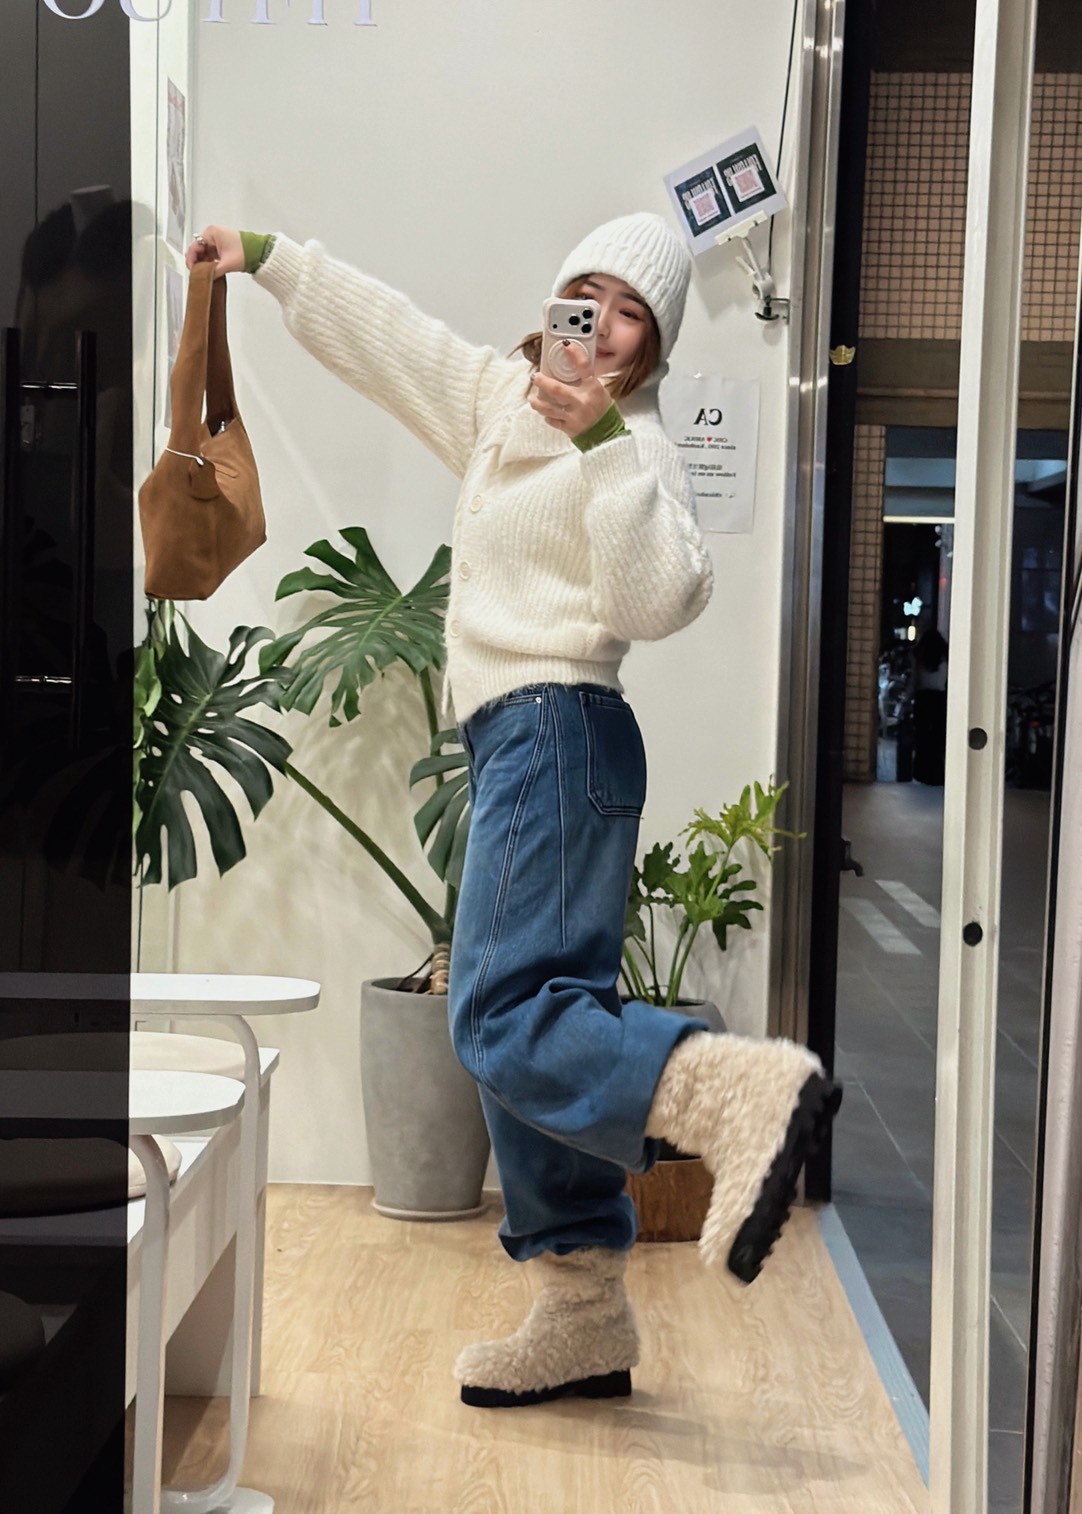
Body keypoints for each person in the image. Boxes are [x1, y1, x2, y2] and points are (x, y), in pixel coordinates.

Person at [186, 214, 841, 1409]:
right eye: (585, 295)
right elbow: (392, 339)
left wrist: (599, 442)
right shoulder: (498, 399)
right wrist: (271, 259)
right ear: (553, 304)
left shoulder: (635, 444)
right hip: (518, 742)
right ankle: (581, 1309)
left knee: (496, 1014)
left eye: (630, 313)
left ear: (650, 347)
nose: (601, 325)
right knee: (534, 1026)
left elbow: (658, 599)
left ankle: (732, 1089)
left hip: (558, 726)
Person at [911, 627, 949, 785]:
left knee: (922, 736)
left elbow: (914, 680)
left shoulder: (919, 657)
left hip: (923, 698)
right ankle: (937, 773)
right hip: (940, 699)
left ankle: (921, 772)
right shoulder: (945, 656)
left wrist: (908, 697)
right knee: (938, 737)